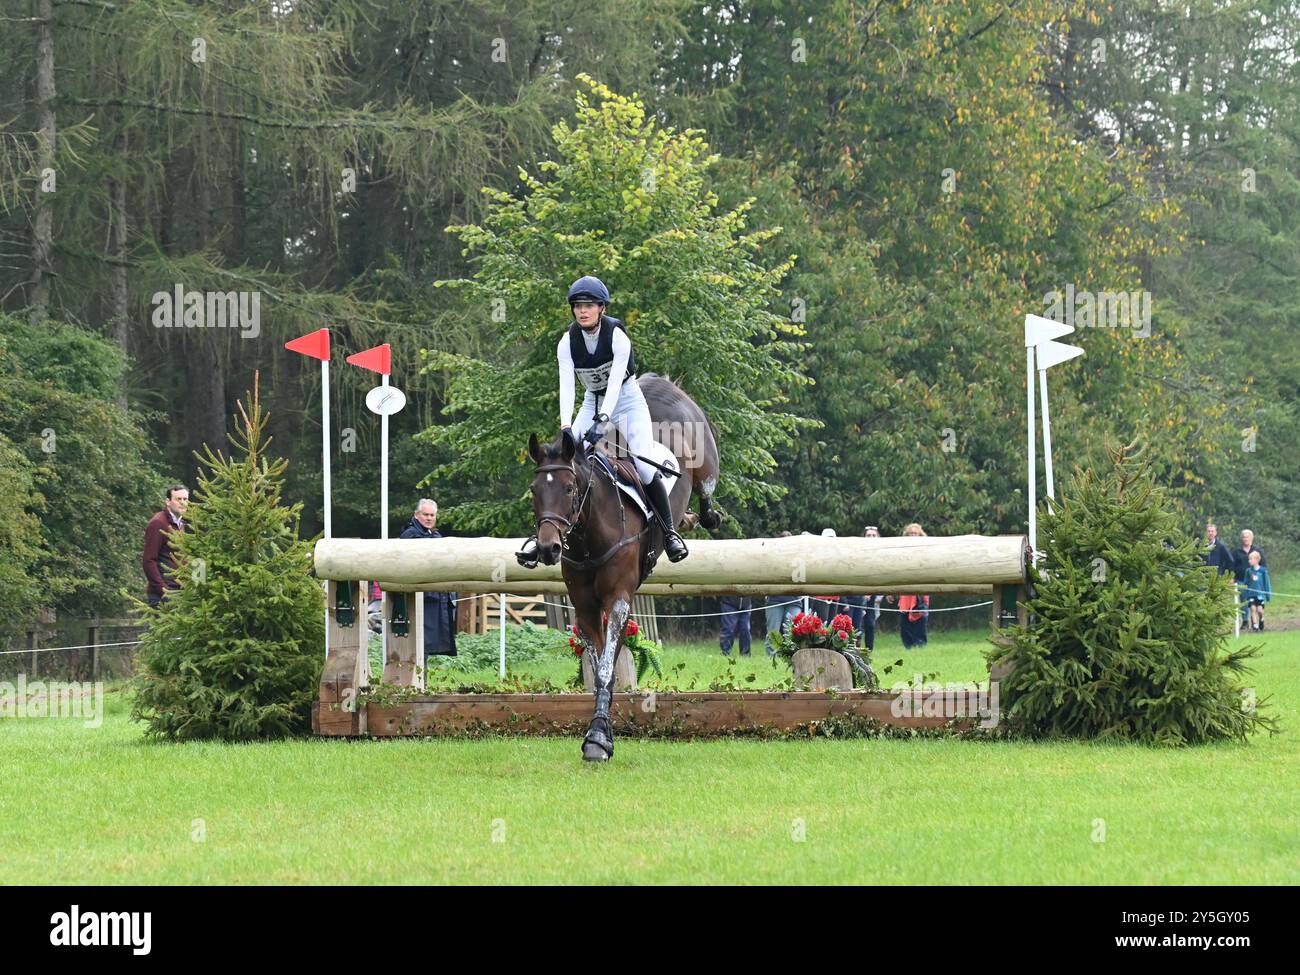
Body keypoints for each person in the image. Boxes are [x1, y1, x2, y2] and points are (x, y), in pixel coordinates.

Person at [516, 275, 687, 566]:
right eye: (578, 306)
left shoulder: (618, 337)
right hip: (591, 402)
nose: (583, 311)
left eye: (589, 305)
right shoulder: (566, 343)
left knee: (645, 466)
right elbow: (567, 386)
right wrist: (566, 427)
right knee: (558, 463)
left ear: (602, 309)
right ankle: (541, 536)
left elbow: (615, 385)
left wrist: (604, 420)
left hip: (627, 401)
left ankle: (670, 533)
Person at [399, 499, 457, 662]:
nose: (429, 518)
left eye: (432, 515)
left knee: (425, 647)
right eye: (425, 514)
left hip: (435, 597)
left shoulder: (435, 535)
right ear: (417, 515)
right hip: (419, 598)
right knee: (418, 643)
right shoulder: (409, 536)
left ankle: (420, 684)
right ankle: (414, 684)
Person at [142, 484, 189, 607]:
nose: (183, 503)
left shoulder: (180, 523)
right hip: (163, 595)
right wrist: (164, 592)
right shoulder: (158, 523)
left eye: (185, 499)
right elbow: (148, 561)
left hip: (180, 592)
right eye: (178, 499)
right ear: (168, 502)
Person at [886, 522, 930, 648]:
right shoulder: (901, 551)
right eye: (910, 533)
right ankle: (908, 646)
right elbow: (896, 571)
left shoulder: (926, 550)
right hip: (905, 593)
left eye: (915, 533)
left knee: (920, 619)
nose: (912, 536)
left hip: (921, 591)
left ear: (920, 535)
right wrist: (891, 591)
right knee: (905, 623)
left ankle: (921, 645)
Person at [842, 525, 882, 651]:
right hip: (858, 593)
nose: (871, 537)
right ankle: (853, 649)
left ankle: (869, 651)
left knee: (870, 623)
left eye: (873, 535)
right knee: (855, 624)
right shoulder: (858, 552)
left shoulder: (881, 553)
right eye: (868, 535)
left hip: (873, 593)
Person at [763, 531, 799, 655]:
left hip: (794, 601)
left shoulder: (798, 560)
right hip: (775, 600)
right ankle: (770, 660)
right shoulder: (771, 560)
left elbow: (802, 578)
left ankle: (791, 657)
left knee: (794, 633)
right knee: (773, 633)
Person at [1240, 550, 1272, 631]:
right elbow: (1245, 583)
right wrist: (1245, 591)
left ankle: (1261, 620)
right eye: (1249, 559)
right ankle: (1255, 625)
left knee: (1260, 610)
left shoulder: (1263, 571)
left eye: (1251, 559)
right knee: (1253, 609)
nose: (1249, 561)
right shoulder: (1248, 571)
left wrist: (1268, 595)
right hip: (1251, 595)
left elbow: (1266, 583)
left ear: (1257, 560)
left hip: (1260, 595)